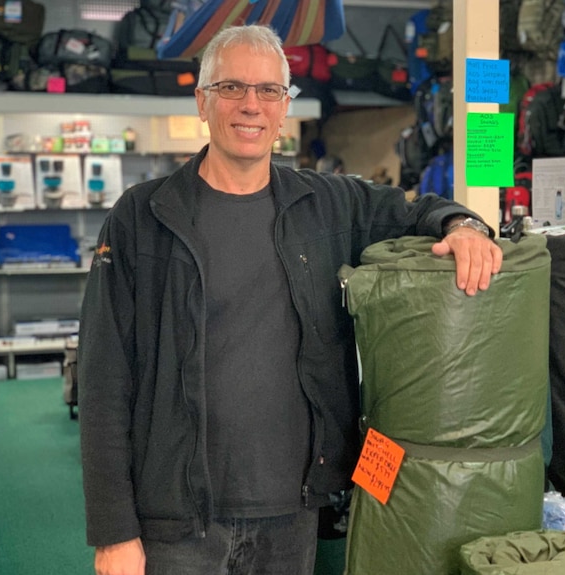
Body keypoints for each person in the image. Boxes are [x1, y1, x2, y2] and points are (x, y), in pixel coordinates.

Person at [78, 24, 502, 575]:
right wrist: (114, 531)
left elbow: (415, 211)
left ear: (285, 109)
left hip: (293, 513)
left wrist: (465, 225)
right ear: (202, 101)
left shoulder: (327, 206)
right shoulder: (142, 217)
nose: (250, 105)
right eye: (231, 88)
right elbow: (104, 379)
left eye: (269, 91)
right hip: (176, 521)